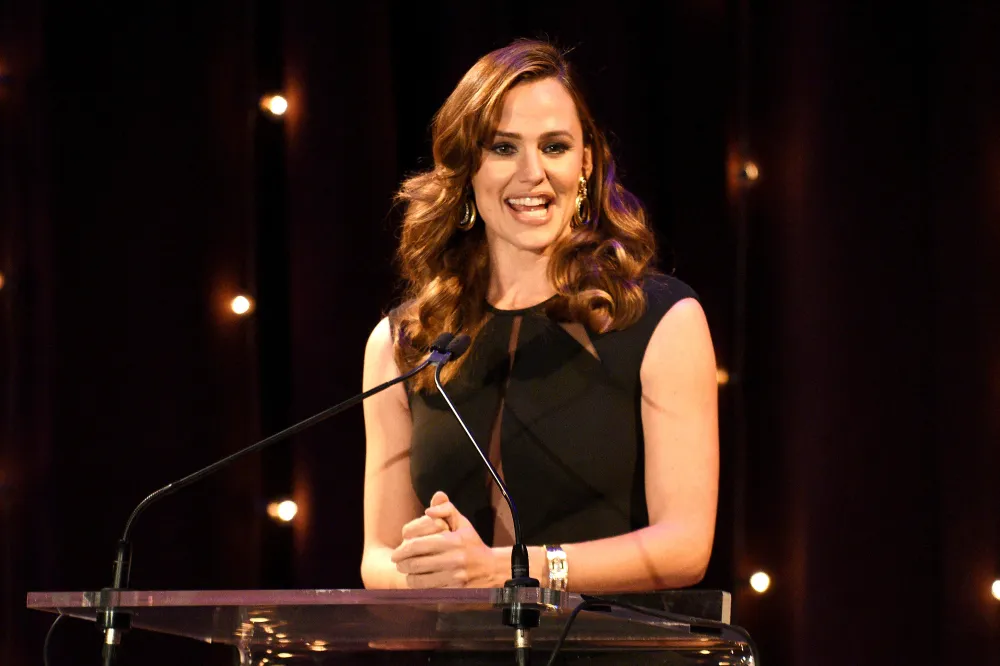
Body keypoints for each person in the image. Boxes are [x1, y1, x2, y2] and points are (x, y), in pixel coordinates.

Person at [360, 39, 718, 593]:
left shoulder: (659, 320)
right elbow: (378, 557)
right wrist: (433, 568)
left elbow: (685, 546)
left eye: (554, 147)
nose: (533, 173)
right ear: (465, 169)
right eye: (503, 148)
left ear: (585, 164)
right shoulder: (405, 343)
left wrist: (505, 569)